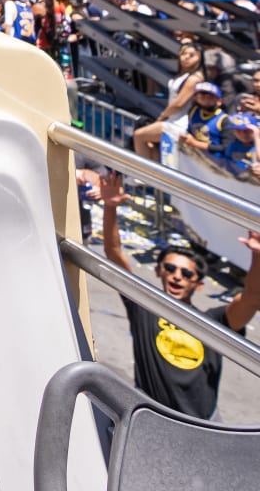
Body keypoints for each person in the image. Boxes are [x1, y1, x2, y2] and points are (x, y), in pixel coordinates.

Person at [98, 172, 260, 418]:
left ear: (199, 285)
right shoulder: (145, 306)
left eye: (186, 274)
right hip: (150, 418)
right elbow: (113, 251)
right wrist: (110, 208)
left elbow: (253, 297)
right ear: (158, 271)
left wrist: (258, 255)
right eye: (170, 269)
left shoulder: (214, 322)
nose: (177, 276)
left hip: (205, 425)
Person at [132, 41, 204, 162]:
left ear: (199, 58)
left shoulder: (194, 78)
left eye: (192, 55)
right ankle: (153, 171)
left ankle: (144, 173)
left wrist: (162, 116)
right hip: (172, 119)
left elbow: (179, 104)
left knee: (139, 135)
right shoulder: (181, 75)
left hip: (180, 122)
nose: (186, 57)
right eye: (183, 54)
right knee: (149, 142)